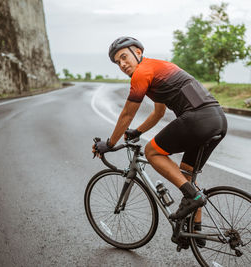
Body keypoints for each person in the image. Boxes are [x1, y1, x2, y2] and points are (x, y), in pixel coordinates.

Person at [92, 36, 227, 228]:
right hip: (217, 119)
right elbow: (159, 112)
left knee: (152, 151)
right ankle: (195, 229)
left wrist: (110, 144)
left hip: (198, 119)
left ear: (137, 53)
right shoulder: (156, 69)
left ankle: (194, 197)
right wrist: (138, 131)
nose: (121, 64)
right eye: (117, 62)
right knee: (186, 175)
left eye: (124, 57)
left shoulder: (141, 72)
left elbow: (127, 114)